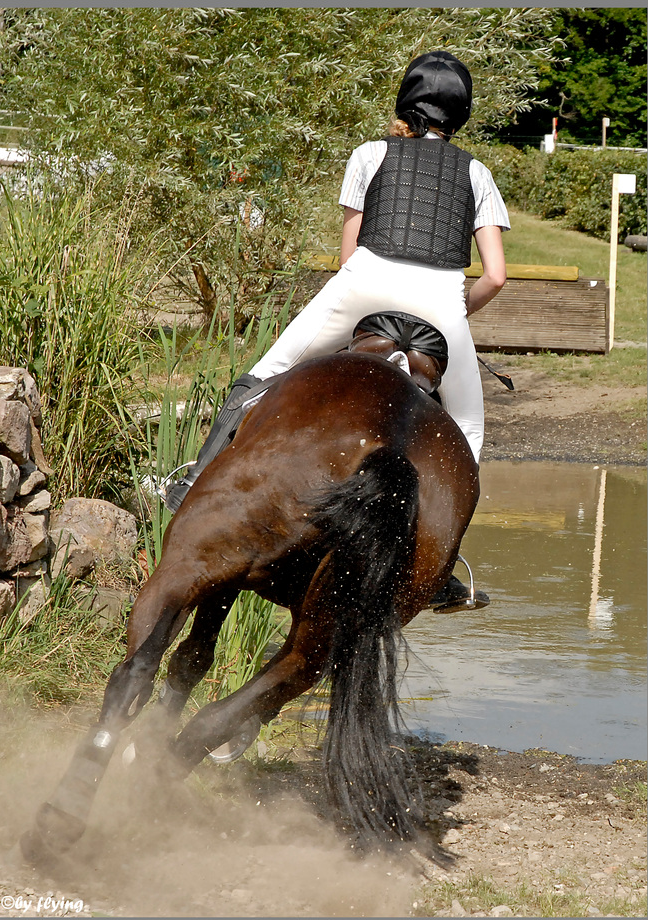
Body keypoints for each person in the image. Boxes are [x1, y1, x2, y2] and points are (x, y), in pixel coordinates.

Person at [163, 51, 509, 569]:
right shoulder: (478, 173)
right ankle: (441, 565)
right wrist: (455, 314)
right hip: (441, 300)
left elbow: (348, 256)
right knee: (467, 431)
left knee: (264, 375)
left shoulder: (371, 154)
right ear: (459, 115)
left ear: (406, 103)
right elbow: (496, 276)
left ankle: (194, 484)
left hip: (365, 283)